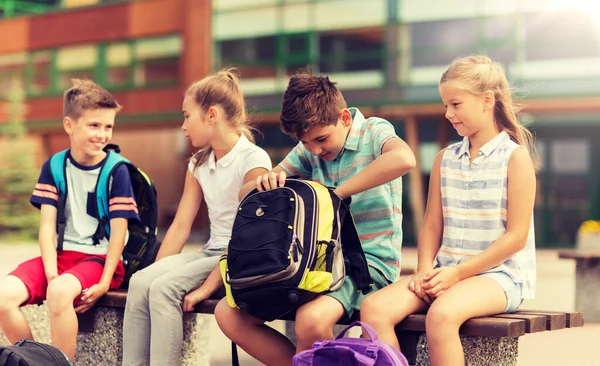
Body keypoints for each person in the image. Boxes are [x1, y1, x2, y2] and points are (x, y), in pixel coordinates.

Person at [214, 67, 416, 366]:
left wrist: (338, 194)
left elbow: (405, 158)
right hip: (316, 264)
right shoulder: (309, 149)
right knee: (227, 315)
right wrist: (264, 183)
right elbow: (246, 193)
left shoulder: (373, 132)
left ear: (344, 118)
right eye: (306, 143)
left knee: (310, 320)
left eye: (321, 139)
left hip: (368, 267)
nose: (314, 150)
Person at [360, 55, 537, 366]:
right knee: (374, 309)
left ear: (486, 100)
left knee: (441, 315)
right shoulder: (445, 158)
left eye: (455, 104)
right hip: (444, 272)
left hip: (498, 278)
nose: (448, 114)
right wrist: (425, 269)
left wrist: (456, 274)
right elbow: (431, 226)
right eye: (445, 105)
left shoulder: (515, 158)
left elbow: (516, 237)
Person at [121, 69, 272, 366]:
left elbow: (251, 236)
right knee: (142, 281)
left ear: (212, 115)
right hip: (209, 252)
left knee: (165, 289)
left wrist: (205, 288)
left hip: (238, 258)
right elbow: (180, 225)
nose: (183, 126)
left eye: (187, 116)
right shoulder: (199, 163)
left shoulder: (254, 160)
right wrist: (157, 269)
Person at [0, 79, 138, 362]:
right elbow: (47, 228)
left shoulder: (117, 170)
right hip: (63, 258)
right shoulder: (53, 166)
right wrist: (51, 272)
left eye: (108, 126)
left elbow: (119, 234)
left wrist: (102, 282)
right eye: (94, 125)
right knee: (2, 295)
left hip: (100, 261)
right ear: (69, 125)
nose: (102, 134)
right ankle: (37, 360)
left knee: (61, 292)